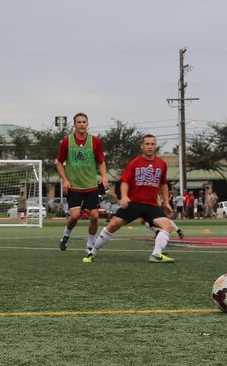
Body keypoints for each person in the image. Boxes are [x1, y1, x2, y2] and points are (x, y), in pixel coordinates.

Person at [84, 134, 176, 263]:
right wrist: (125, 196)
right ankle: (92, 253)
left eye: (152, 144)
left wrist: (166, 202)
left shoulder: (161, 164)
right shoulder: (134, 163)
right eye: (147, 144)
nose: (150, 147)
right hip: (134, 203)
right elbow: (125, 182)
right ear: (142, 146)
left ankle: (156, 254)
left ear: (156, 146)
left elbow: (163, 184)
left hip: (151, 205)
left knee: (167, 225)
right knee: (113, 225)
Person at [56, 112, 108, 255]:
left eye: (84, 122)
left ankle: (90, 244)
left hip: (91, 185)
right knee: (74, 216)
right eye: (78, 122)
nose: (81, 124)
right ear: (74, 124)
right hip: (74, 186)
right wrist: (65, 180)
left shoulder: (95, 141)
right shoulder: (67, 141)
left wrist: (103, 176)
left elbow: (101, 161)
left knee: (95, 216)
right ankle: (66, 236)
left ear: (87, 124)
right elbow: (59, 162)